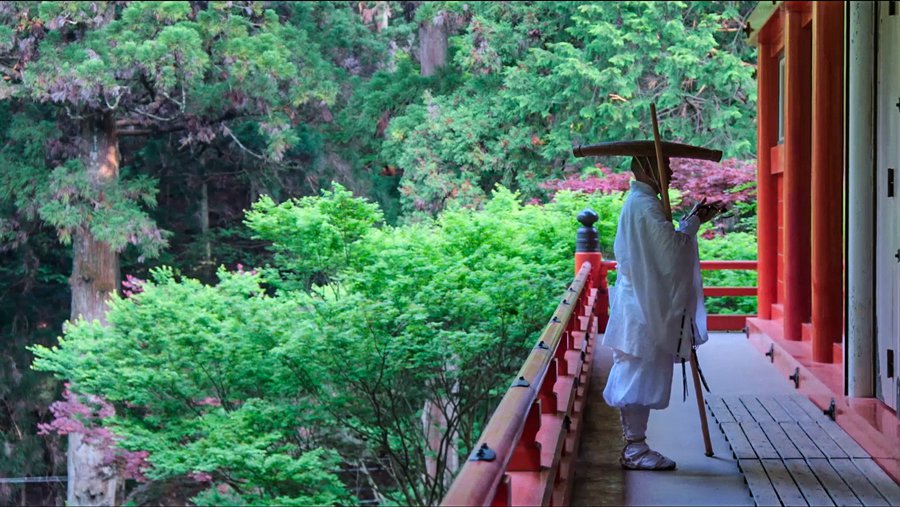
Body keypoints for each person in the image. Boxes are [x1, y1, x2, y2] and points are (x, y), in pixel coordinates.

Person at [601, 155, 721, 471]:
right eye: (662, 165)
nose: (669, 171)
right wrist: (692, 225)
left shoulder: (642, 202)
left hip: (640, 300)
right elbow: (670, 254)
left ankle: (636, 446)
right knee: (638, 373)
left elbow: (665, 247)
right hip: (642, 304)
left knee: (640, 371)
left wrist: (691, 220)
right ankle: (635, 449)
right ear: (644, 167)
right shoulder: (643, 204)